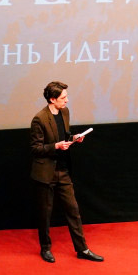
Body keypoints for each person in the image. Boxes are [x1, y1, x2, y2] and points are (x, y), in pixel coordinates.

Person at [29, 81, 103, 263]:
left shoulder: (65, 112)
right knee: (45, 214)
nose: (67, 100)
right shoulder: (39, 119)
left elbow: (63, 135)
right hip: (46, 173)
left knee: (73, 210)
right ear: (52, 99)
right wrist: (56, 146)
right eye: (63, 98)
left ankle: (82, 249)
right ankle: (45, 248)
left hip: (63, 170)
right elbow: (35, 148)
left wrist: (74, 138)